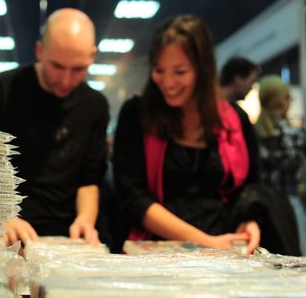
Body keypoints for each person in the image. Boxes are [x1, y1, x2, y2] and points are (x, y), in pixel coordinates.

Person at [112, 15, 262, 254]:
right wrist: (205, 241)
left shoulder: (235, 119)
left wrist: (249, 221)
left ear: (202, 71)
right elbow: (132, 198)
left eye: (180, 72)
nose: (168, 82)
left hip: (226, 248)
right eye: (159, 70)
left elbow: (249, 187)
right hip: (158, 251)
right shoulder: (137, 114)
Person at [0, 8, 109, 247]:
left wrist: (85, 220)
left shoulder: (95, 105)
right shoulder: (2, 89)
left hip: (64, 236)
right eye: (57, 66)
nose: (66, 80)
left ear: (92, 56)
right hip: (3, 230)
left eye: (78, 69)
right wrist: (3, 216)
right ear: (40, 50)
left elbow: (89, 178)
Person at [255, 75, 306, 255]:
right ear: (282, 101)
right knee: (294, 255)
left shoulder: (253, 132)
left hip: (260, 207)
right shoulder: (292, 134)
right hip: (289, 202)